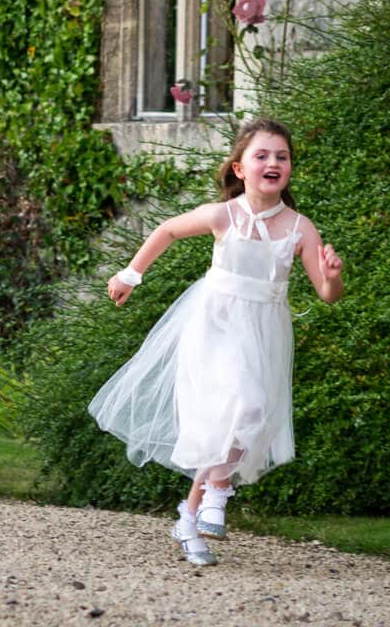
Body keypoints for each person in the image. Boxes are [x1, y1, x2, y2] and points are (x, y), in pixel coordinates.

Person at [89, 117, 344, 566]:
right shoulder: (225, 215)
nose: (273, 163)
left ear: (290, 169)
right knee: (244, 406)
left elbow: (326, 294)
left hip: (264, 330)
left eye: (281, 157)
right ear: (240, 168)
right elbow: (166, 230)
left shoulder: (301, 228)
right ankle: (218, 492)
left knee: (233, 422)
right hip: (216, 322)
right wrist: (130, 274)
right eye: (261, 155)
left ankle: (190, 517)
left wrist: (335, 277)